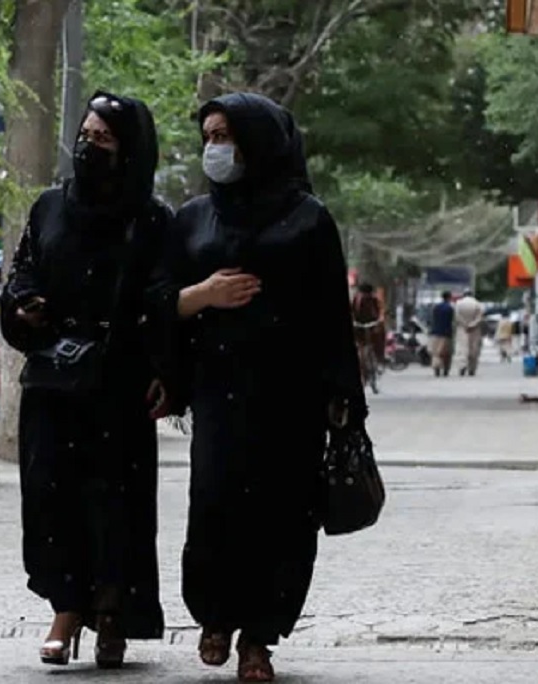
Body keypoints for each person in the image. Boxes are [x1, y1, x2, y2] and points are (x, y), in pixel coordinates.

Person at [153, 92, 366, 682]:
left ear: (257, 140)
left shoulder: (308, 218)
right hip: (218, 391)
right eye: (208, 137)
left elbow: (331, 316)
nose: (213, 148)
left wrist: (344, 399)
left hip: (291, 397)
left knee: (284, 517)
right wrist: (198, 311)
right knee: (215, 504)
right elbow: (161, 302)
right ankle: (215, 617)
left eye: (224, 135)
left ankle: (259, 639)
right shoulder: (194, 217)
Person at [0, 90, 170, 670]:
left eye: (104, 139)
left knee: (114, 503)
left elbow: (164, 300)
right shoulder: (50, 207)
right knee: (51, 496)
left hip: (118, 386)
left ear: (129, 150)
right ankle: (65, 609)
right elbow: (23, 271)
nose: (89, 147)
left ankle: (112, 609)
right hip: (53, 380)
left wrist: (164, 371)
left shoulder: (152, 219)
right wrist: (24, 306)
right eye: (86, 135)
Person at [351, 282, 386, 369]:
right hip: (358, 325)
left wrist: (380, 319)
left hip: (372, 325)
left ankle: (379, 358)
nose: (364, 296)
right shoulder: (355, 299)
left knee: (379, 336)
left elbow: (381, 310)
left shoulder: (374, 299)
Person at [454, 289, 486, 376]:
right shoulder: (478, 304)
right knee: (474, 349)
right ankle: (472, 368)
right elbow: (480, 317)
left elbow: (457, 316)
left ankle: (462, 366)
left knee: (462, 348)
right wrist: (472, 324)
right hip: (475, 330)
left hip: (462, 329)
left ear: (464, 295)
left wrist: (464, 324)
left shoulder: (458, 303)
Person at [429, 291, 455, 377]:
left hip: (435, 332)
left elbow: (433, 318)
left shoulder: (436, 307)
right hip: (446, 333)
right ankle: (446, 370)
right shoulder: (450, 308)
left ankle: (436, 368)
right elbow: (452, 321)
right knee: (447, 353)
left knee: (436, 352)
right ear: (449, 297)